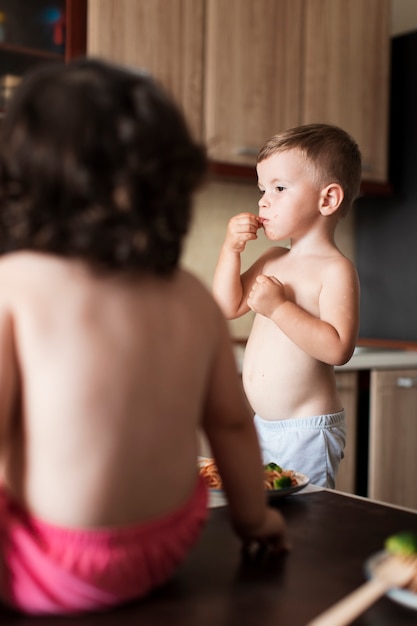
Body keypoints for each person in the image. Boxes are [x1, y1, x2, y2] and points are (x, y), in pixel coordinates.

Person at [0, 58, 287, 616]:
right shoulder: (189, 295)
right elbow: (229, 422)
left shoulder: (13, 285)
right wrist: (256, 520)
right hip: (165, 545)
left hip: (52, 564)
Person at [213, 123, 361, 489]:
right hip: (263, 426)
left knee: (306, 520)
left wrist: (279, 308)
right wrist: (230, 250)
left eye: (278, 188)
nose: (263, 201)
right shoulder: (272, 258)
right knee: (269, 517)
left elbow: (338, 348)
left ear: (327, 200)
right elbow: (227, 306)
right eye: (262, 189)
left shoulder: (336, 269)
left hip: (306, 432)